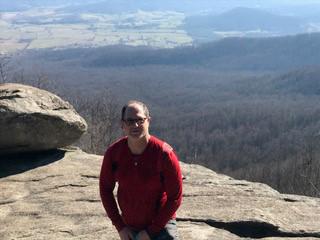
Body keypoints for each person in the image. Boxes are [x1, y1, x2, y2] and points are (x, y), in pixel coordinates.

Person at [99, 100, 183, 240]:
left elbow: (175, 197)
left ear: (148, 121)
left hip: (161, 224)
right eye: (130, 121)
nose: (135, 125)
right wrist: (120, 226)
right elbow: (105, 189)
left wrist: (151, 231)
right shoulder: (114, 154)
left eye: (140, 120)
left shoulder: (164, 154)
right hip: (129, 225)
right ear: (122, 124)